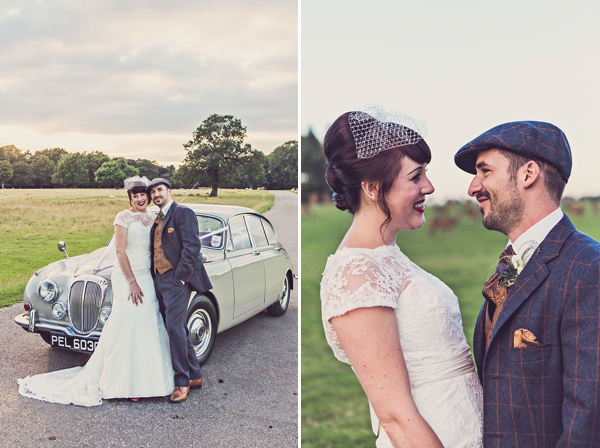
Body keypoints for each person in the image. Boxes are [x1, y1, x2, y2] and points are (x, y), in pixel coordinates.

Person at [320, 105, 483, 447]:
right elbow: (394, 415)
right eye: (415, 176)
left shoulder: (389, 257)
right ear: (372, 188)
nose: (429, 186)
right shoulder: (357, 274)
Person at [454, 121, 600, 445]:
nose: (473, 187)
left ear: (528, 173)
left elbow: (588, 422)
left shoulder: (589, 268)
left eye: (485, 171)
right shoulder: (511, 262)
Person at [18, 176, 174, 406]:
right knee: (126, 322)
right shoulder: (123, 217)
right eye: (135, 196)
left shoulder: (154, 217)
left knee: (147, 322)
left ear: (149, 196)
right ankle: (122, 381)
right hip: (127, 277)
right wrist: (131, 281)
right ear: (130, 198)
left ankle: (150, 379)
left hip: (146, 278)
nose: (140, 199)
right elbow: (120, 252)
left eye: (143, 195)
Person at [147, 178, 212, 403]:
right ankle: (194, 375)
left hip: (176, 280)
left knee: (175, 328)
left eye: (160, 190)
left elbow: (192, 247)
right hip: (158, 278)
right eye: (153, 191)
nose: (156, 194)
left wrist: (180, 279)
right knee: (177, 328)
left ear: (169, 191)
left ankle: (182, 383)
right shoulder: (155, 217)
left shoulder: (183, 212)